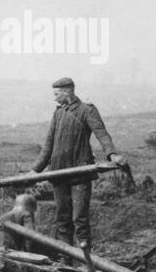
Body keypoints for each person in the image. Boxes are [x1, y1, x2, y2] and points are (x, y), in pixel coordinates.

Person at [30, 77, 127, 255]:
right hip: (58, 175)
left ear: (67, 92)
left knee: (79, 219)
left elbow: (101, 134)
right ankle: (66, 260)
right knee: (62, 219)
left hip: (80, 174)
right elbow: (48, 147)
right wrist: (34, 171)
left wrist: (111, 154)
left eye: (57, 94)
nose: (55, 98)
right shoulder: (58, 113)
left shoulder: (86, 110)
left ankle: (85, 261)